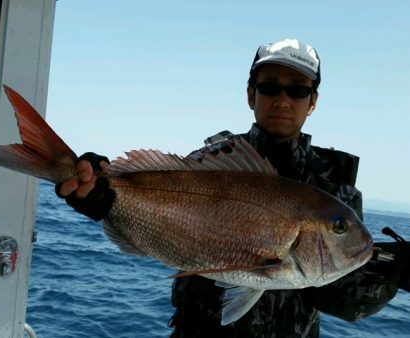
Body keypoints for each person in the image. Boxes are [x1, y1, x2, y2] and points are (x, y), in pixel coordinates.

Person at [56, 38, 409, 337]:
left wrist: (391, 275)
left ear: (312, 102)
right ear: (250, 94)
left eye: (297, 90)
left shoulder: (336, 190)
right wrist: (105, 192)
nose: (282, 100)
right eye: (269, 87)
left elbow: (344, 301)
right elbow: (156, 218)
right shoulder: (212, 159)